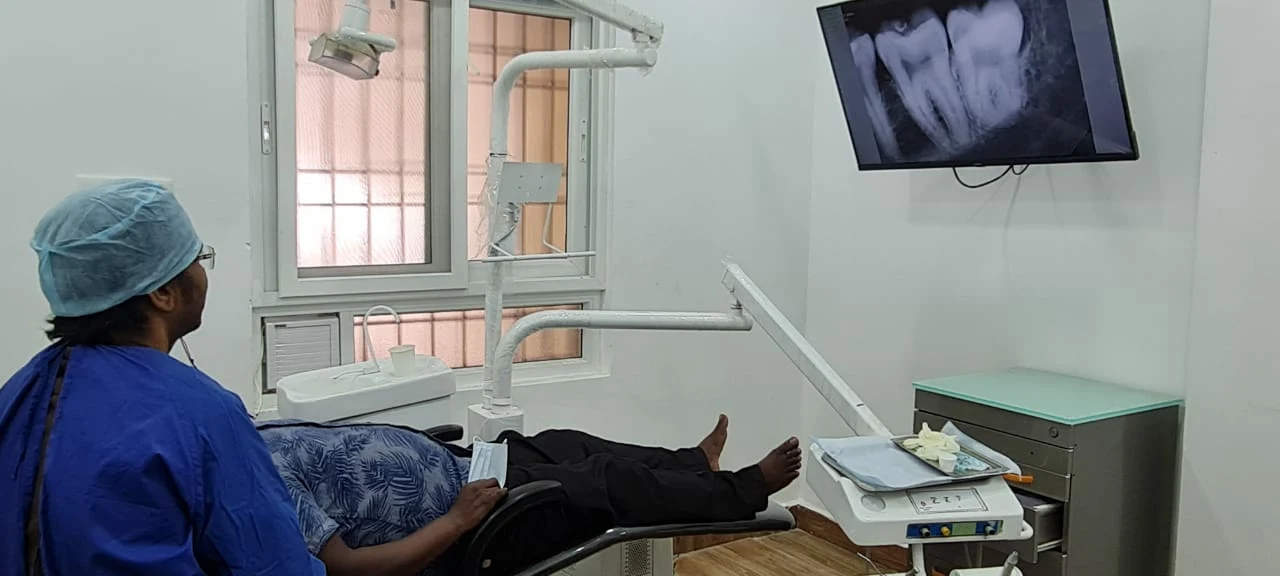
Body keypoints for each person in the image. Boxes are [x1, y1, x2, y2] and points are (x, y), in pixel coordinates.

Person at [0, 180, 324, 575]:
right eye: (198, 258)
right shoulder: (200, 412)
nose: (203, 272)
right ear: (163, 293)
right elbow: (272, 564)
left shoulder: (18, 394)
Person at [258, 414, 803, 576]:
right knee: (607, 479)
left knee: (570, 442)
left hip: (468, 465)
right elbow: (344, 569)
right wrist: (456, 521)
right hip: (472, 522)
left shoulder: (252, 436)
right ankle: (746, 489)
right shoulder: (262, 487)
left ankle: (694, 463)